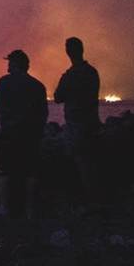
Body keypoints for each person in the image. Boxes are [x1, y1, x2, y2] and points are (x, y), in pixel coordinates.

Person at [0, 48, 47, 218]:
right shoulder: (38, 86)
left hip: (9, 133)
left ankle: (5, 207)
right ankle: (30, 209)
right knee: (31, 171)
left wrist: (8, 122)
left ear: (15, 64)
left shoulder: (4, 82)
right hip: (31, 135)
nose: (8, 68)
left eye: (10, 64)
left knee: (4, 169)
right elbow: (43, 113)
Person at [54, 36, 101, 197]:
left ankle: (86, 199)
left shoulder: (70, 75)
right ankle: (95, 197)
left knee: (79, 162)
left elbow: (58, 97)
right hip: (93, 122)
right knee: (91, 162)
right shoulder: (92, 72)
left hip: (76, 125)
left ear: (68, 52)